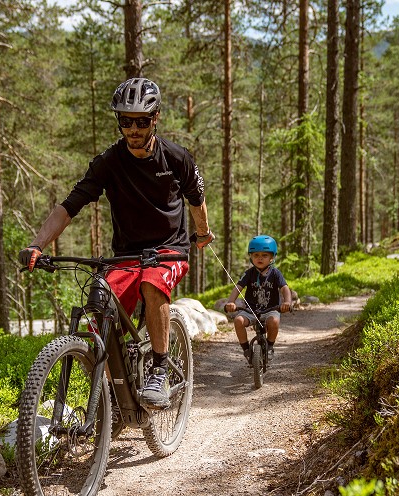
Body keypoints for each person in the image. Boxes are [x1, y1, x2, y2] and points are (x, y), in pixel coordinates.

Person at [19, 77, 214, 410]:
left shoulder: (177, 158)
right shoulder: (109, 162)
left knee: (153, 287)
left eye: (141, 120)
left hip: (169, 250)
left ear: (155, 118)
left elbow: (196, 199)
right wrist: (37, 244)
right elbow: (69, 206)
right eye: (126, 121)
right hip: (126, 255)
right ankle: (112, 394)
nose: (133, 128)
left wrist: (203, 232)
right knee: (100, 312)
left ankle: (158, 368)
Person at [223, 235, 292, 365]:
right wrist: (231, 302)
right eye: (256, 255)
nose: (260, 258)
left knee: (274, 321)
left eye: (264, 255)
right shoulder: (249, 273)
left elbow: (284, 288)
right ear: (251, 257)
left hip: (270, 309)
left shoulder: (275, 273)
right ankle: (246, 350)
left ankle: (270, 346)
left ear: (272, 257)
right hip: (250, 310)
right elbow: (238, 288)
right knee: (238, 320)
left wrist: (287, 302)